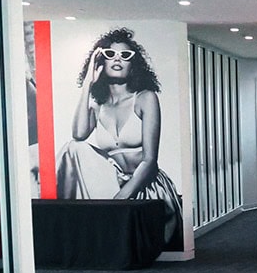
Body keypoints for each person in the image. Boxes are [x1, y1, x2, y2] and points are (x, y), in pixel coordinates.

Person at [56, 27, 183, 248]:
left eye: (125, 56)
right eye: (109, 55)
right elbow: (77, 135)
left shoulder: (145, 98)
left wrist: (119, 201)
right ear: (101, 63)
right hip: (111, 182)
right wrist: (88, 82)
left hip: (143, 184)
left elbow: (150, 161)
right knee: (72, 148)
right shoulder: (98, 104)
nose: (117, 60)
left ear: (133, 64)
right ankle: (67, 226)